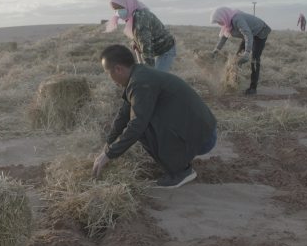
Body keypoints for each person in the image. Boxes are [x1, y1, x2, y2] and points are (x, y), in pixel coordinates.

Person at [92, 44, 217, 188]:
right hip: (201, 129)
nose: (110, 78)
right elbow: (123, 115)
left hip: (203, 137)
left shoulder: (140, 82)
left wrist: (109, 155)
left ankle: (181, 172)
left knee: (143, 128)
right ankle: (178, 161)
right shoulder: (138, 75)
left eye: (108, 73)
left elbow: (137, 125)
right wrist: (108, 145)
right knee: (142, 122)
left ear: (118, 69)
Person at [105, 0, 177, 72]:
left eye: (120, 8)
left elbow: (146, 47)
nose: (118, 12)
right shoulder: (133, 15)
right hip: (156, 48)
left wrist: (148, 71)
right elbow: (138, 36)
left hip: (165, 49)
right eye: (115, 10)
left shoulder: (140, 19)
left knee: (157, 78)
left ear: (128, 4)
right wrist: (136, 43)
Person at [210, 7, 271, 96]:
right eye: (217, 22)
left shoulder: (237, 19)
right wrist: (216, 50)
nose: (219, 24)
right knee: (237, 59)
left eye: (219, 21)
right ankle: (233, 82)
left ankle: (253, 88)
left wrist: (247, 53)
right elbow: (223, 38)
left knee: (254, 60)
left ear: (223, 16)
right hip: (249, 35)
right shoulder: (227, 24)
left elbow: (248, 34)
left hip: (260, 32)